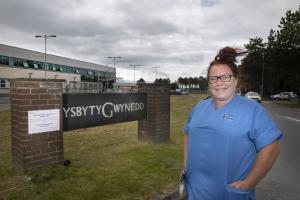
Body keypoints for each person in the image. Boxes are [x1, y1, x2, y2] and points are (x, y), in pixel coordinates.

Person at [183, 47, 282, 200]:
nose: (219, 83)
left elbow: (272, 148)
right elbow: (188, 134)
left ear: (236, 80)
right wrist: (186, 167)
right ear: (209, 82)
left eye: (225, 77)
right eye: (213, 78)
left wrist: (249, 183)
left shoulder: (252, 110)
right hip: (195, 191)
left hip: (229, 194)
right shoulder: (199, 107)